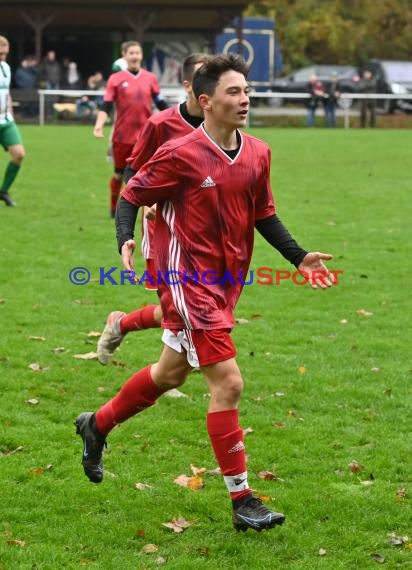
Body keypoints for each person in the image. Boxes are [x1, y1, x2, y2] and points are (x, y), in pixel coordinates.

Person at [75, 53, 335, 532]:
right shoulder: (181, 152)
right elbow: (133, 192)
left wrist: (298, 256)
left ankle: (97, 425)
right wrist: (125, 237)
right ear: (205, 100)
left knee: (169, 374)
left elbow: (263, 213)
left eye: (246, 90)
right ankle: (243, 500)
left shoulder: (258, 151)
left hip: (226, 283)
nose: (245, 99)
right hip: (186, 282)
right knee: (229, 384)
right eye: (233, 92)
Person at [96, 53, 210, 365]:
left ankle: (120, 325)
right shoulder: (161, 124)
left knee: (187, 304)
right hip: (163, 227)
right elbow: (133, 176)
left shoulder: (221, 124)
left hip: (205, 230)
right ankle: (168, 372)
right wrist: (148, 203)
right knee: (174, 306)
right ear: (188, 85)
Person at [93, 40, 168, 217]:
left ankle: (143, 210)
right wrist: (98, 125)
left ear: (141, 56)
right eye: (131, 53)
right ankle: (113, 207)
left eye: (137, 53)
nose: (135, 56)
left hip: (146, 137)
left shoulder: (150, 78)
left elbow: (161, 103)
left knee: (144, 175)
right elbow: (106, 105)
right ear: (124, 56)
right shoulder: (116, 79)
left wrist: (178, 119)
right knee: (119, 174)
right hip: (121, 136)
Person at [0, 36, 26, 207]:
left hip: (6, 120)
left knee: (19, 154)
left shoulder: (6, 68)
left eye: (5, 54)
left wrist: (10, 112)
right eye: (0, 54)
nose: (3, 57)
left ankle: (3, 191)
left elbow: (7, 93)